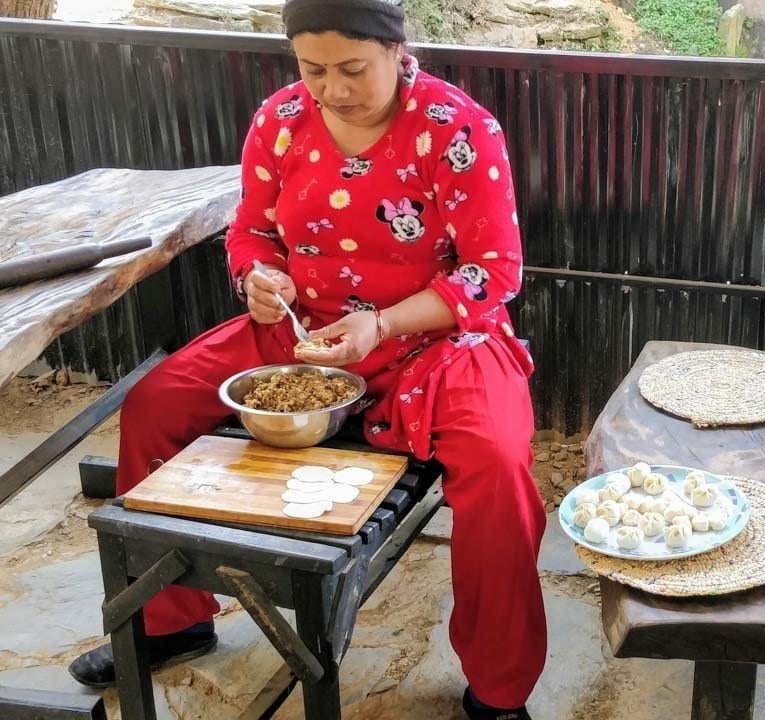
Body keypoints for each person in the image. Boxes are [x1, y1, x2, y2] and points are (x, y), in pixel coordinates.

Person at [68, 1, 547, 717]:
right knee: (157, 403)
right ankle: (174, 619)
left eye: (352, 68)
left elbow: (491, 273)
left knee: (497, 461)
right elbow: (252, 231)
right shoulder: (281, 119)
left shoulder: (458, 129)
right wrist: (258, 279)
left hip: (435, 343)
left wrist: (380, 323)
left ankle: (498, 686)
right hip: (304, 331)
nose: (332, 89)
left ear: (396, 51)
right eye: (312, 68)